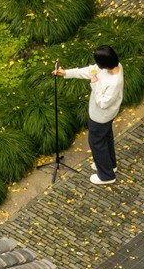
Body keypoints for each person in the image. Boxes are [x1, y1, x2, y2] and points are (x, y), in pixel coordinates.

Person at [53, 46, 124, 185]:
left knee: (96, 143)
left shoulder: (115, 82)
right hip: (105, 116)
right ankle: (110, 165)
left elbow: (103, 103)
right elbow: (89, 71)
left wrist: (95, 85)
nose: (96, 65)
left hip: (101, 117)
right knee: (106, 138)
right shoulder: (111, 67)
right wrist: (66, 73)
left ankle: (106, 175)